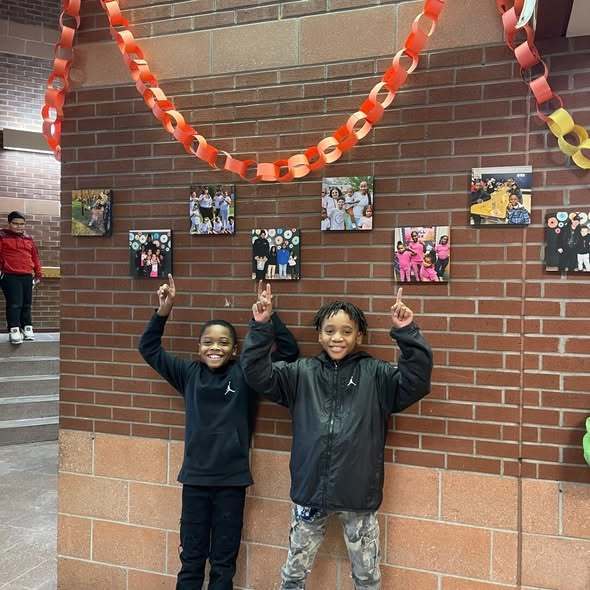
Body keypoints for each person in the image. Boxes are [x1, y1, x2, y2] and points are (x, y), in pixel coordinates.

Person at [242, 285, 433, 590]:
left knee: (367, 578)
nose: (337, 337)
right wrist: (261, 327)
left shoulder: (377, 375)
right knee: (293, 575)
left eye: (346, 331)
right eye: (329, 330)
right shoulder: (300, 373)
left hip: (358, 494)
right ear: (319, 335)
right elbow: (256, 374)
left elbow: (416, 382)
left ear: (359, 336)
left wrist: (407, 333)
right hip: (310, 492)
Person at [138, 277, 299, 590]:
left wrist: (268, 318)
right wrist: (164, 309)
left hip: (231, 482)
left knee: (224, 564)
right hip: (195, 481)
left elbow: (289, 353)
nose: (215, 347)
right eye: (208, 342)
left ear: (235, 349)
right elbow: (148, 348)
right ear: (199, 348)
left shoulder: (247, 374)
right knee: (192, 561)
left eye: (224, 342)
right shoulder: (188, 374)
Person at [0, 211, 43, 344]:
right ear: (9, 224)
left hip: (26, 275)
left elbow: (34, 257)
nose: (19, 226)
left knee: (26, 303)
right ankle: (14, 330)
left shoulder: (28, 239)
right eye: (15, 224)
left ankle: (27, 328)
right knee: (15, 304)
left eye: (22, 224)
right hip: (10, 275)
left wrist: (38, 273)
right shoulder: (2, 237)